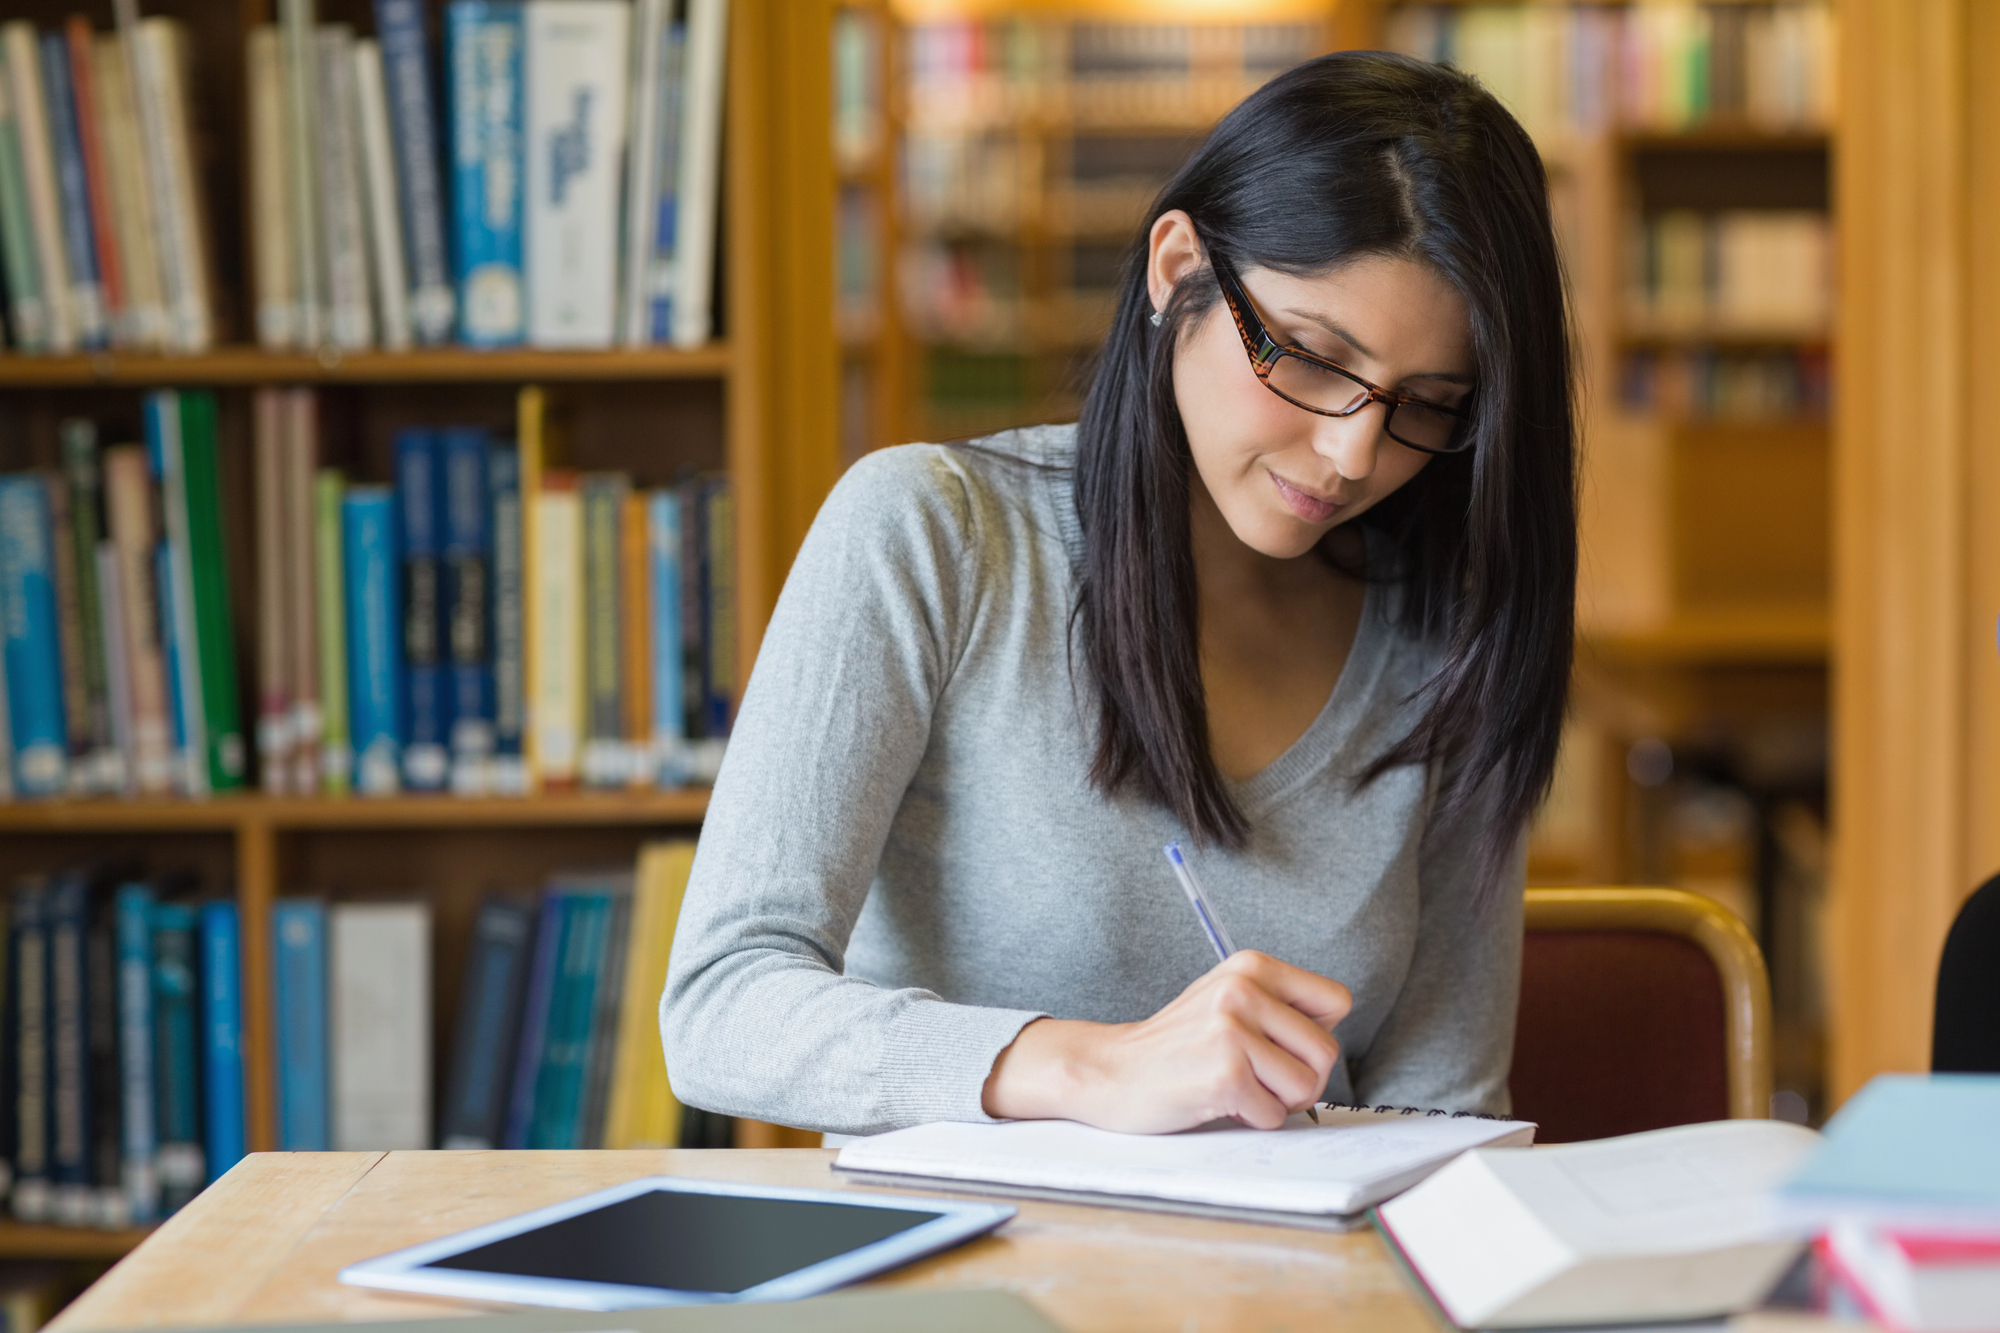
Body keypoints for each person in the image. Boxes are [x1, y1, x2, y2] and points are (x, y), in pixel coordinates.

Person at [661, 50, 1576, 1137]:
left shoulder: (1447, 634)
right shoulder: (932, 535)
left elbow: (1439, 1111)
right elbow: (720, 1005)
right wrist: (1090, 1069)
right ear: (1175, 264)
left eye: (1426, 403)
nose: (1348, 452)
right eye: (1309, 357)